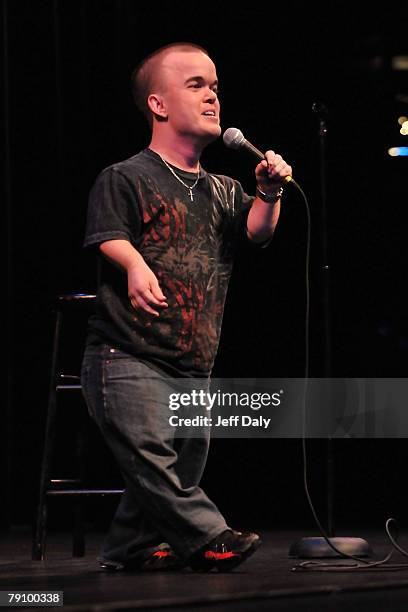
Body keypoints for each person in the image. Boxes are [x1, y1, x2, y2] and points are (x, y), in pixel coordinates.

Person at [81, 42, 292, 573]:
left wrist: (268, 192)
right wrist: (134, 264)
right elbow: (108, 234)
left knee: (177, 466)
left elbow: (257, 232)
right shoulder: (126, 176)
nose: (211, 96)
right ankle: (210, 535)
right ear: (158, 104)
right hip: (128, 353)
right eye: (196, 85)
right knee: (152, 454)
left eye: (215, 86)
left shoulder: (222, 188)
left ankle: (129, 545)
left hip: (194, 358)